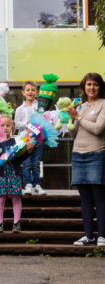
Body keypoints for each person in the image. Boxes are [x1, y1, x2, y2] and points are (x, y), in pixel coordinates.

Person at [66, 73, 105, 247]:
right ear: (84, 87)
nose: (92, 88)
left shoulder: (103, 104)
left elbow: (97, 129)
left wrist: (78, 118)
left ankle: (102, 236)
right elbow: (74, 134)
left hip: (96, 153)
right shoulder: (79, 106)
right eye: (89, 84)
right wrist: (70, 120)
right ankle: (88, 235)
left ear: (100, 87)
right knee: (85, 199)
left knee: (99, 197)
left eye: (95, 85)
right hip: (78, 154)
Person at [0, 115, 33, 233]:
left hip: (14, 174)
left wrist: (28, 152)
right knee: (0, 198)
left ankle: (16, 223)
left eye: (8, 125)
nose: (5, 128)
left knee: (16, 198)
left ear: (13, 129)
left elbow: (20, 158)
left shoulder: (16, 142)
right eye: (2, 125)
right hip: (0, 176)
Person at [14, 81, 46, 195]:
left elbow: (45, 121)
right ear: (23, 93)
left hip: (38, 139)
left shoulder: (40, 107)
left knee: (36, 162)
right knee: (27, 162)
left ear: (36, 92)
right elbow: (16, 124)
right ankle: (28, 184)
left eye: (33, 90)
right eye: (28, 90)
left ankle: (37, 184)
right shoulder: (19, 109)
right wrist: (27, 124)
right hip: (25, 139)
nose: (30, 92)